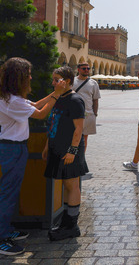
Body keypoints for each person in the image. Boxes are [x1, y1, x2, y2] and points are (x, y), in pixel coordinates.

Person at [0, 57, 67, 255]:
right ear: (19, 78)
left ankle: (6, 230)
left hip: (14, 148)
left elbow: (35, 104)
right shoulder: (12, 101)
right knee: (8, 194)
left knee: (11, 192)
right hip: (12, 149)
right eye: (28, 75)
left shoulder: (9, 97)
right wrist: (58, 95)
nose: (31, 77)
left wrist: (54, 92)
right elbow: (41, 113)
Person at [43, 66, 89, 241]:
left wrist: (72, 151)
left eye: (56, 79)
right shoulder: (58, 98)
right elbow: (53, 122)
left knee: (72, 185)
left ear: (67, 81)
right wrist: (48, 145)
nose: (53, 82)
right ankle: (65, 221)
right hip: (57, 148)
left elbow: (79, 129)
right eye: (53, 79)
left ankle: (71, 225)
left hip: (70, 151)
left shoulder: (75, 100)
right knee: (65, 185)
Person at [73, 62, 100, 155]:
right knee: (73, 136)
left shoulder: (93, 83)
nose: (87, 70)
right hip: (73, 114)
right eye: (84, 68)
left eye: (88, 68)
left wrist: (95, 113)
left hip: (88, 114)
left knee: (84, 138)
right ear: (78, 69)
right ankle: (73, 156)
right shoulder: (72, 81)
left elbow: (95, 100)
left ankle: (81, 157)